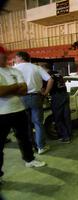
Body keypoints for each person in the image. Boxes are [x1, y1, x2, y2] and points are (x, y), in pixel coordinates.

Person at [0, 46, 46, 184]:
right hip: (1, 114)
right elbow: (0, 92)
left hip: (19, 110)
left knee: (24, 138)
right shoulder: (14, 72)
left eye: (4, 54)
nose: (4, 57)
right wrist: (15, 86)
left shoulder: (14, 70)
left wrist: (8, 89)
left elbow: (24, 90)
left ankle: (29, 160)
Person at [14, 51, 53, 155]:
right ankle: (41, 147)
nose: (15, 59)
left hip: (21, 98)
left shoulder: (14, 69)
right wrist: (45, 92)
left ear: (20, 58)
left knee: (26, 124)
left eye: (16, 58)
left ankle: (30, 147)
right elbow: (50, 80)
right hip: (35, 97)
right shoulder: (36, 67)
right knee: (38, 123)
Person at [44, 66, 72, 143]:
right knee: (66, 117)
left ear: (43, 69)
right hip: (65, 94)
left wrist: (45, 93)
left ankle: (65, 137)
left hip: (57, 96)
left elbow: (51, 81)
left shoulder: (48, 75)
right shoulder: (57, 73)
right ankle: (69, 135)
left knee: (58, 118)